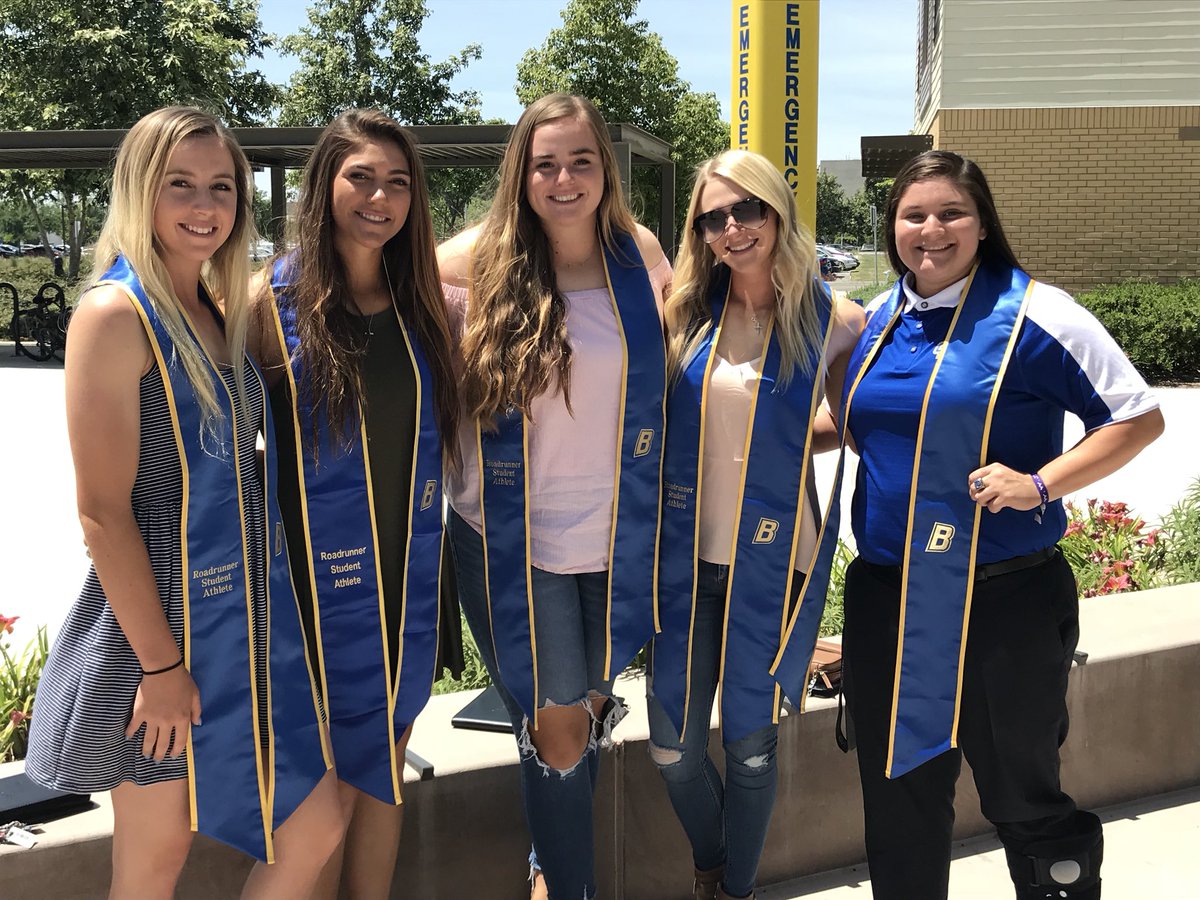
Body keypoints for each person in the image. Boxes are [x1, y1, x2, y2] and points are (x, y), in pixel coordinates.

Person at [25, 106, 341, 899]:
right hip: (158, 623)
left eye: (221, 187)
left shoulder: (213, 308)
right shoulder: (114, 315)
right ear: (141, 190)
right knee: (154, 859)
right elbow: (102, 513)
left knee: (315, 824)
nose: (205, 206)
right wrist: (162, 666)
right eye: (181, 185)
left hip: (244, 620)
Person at [838, 149, 1164, 900]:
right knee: (898, 798)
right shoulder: (879, 318)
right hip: (889, 598)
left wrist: (1041, 483)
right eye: (913, 215)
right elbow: (861, 427)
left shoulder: (1038, 313)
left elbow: (1137, 418)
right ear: (892, 228)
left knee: (1022, 793)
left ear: (983, 223)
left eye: (951, 212)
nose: (931, 230)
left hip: (1003, 601)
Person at [437, 92, 671, 900]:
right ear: (521, 174)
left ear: (606, 169)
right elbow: (379, 268)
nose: (564, 179)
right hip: (511, 536)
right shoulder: (481, 259)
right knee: (563, 731)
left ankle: (546, 867)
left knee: (582, 712)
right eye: (545, 164)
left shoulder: (639, 255)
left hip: (618, 534)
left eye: (581, 161)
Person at [248, 109, 457, 899]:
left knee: (384, 774)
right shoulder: (268, 302)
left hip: (407, 579)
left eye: (398, 182)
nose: (380, 197)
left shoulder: (421, 302)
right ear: (323, 185)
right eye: (360, 177)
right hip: (313, 592)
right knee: (324, 795)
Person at [650, 149, 864, 900]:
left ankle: (730, 888)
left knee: (749, 747)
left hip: (775, 562)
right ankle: (714, 859)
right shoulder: (681, 312)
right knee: (673, 750)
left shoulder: (835, 320)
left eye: (748, 210)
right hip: (682, 561)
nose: (733, 228)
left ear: (778, 214)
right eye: (714, 218)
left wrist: (789, 440)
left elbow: (859, 422)